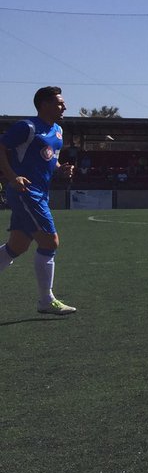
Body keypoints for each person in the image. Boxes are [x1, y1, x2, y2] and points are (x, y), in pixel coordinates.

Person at [0, 86, 76, 314]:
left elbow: (50, 160)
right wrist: (12, 177)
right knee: (50, 242)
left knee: (17, 246)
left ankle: (46, 300)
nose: (64, 107)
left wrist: (61, 170)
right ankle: (46, 300)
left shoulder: (58, 131)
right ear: (44, 105)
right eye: (60, 103)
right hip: (26, 192)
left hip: (41, 192)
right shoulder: (27, 127)